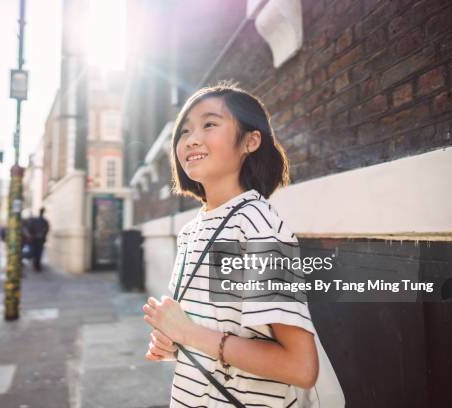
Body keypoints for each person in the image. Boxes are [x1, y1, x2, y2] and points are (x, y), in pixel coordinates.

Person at [141, 84, 344, 407]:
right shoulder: (192, 232)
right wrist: (176, 343)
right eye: (184, 131)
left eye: (209, 124)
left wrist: (188, 334)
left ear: (250, 140)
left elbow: (299, 366)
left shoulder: (255, 227)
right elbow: (225, 332)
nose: (191, 139)